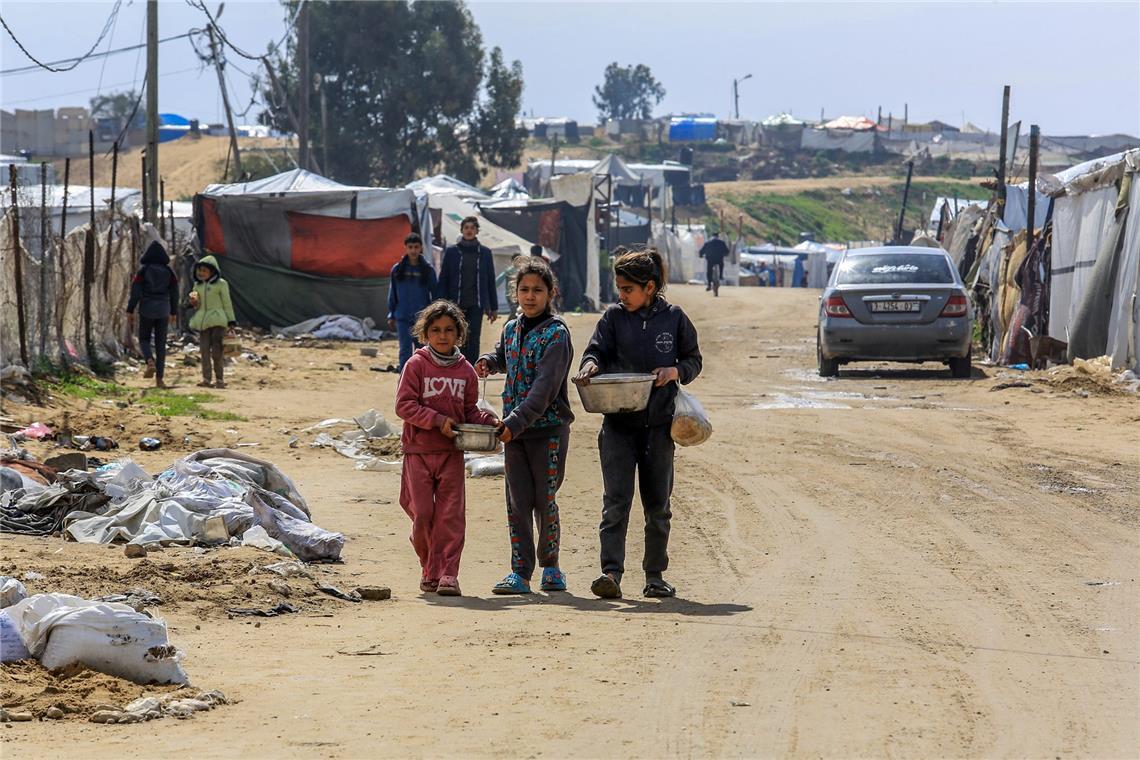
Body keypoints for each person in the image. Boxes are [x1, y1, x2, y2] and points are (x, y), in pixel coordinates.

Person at [574, 247, 702, 599]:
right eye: (620, 289)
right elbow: (595, 350)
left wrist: (675, 370)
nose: (622, 296)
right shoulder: (613, 318)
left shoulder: (674, 318)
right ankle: (610, 573)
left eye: (628, 289)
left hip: (659, 427)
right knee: (615, 502)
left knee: (658, 506)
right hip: (617, 424)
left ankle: (654, 575)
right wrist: (590, 365)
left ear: (649, 287)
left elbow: (693, 360)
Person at [475, 257, 574, 595]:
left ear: (551, 293)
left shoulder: (557, 335)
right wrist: (489, 360)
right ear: (515, 293)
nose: (530, 296)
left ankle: (552, 567)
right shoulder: (511, 328)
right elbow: (505, 354)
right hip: (513, 432)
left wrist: (512, 424)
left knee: (544, 500)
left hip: (547, 432)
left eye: (537, 290)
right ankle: (520, 572)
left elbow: (544, 391)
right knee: (517, 501)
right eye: (524, 290)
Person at [395, 300, 498, 597]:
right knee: (423, 514)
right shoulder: (416, 365)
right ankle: (429, 566)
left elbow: (469, 412)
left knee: (451, 516)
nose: (442, 335)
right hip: (419, 452)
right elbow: (404, 405)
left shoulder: (465, 370)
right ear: (425, 333)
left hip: (452, 454)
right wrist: (436, 420)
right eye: (436, 330)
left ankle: (448, 574)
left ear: (459, 335)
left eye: (449, 330)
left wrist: (488, 420)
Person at [437, 216, 498, 363]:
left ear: (477, 231)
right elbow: (443, 279)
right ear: (462, 230)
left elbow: (490, 280)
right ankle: (457, 366)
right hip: (455, 304)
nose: (469, 230)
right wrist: (441, 304)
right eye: (466, 228)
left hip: (476, 304)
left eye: (472, 228)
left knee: (474, 338)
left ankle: (471, 369)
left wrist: (493, 307)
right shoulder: (452, 252)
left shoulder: (484, 253)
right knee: (456, 336)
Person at [126, 240, 178, 388]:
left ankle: (149, 360)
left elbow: (135, 292)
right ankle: (160, 379)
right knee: (161, 345)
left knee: (144, 339)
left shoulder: (143, 270)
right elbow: (175, 293)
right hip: (163, 310)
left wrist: (130, 310)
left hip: (146, 309)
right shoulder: (169, 272)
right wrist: (174, 311)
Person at [387, 232, 437, 372]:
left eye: (416, 247)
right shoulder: (397, 270)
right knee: (405, 352)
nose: (413, 250)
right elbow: (393, 293)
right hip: (402, 317)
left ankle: (422, 382)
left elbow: (436, 295)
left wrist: (434, 316)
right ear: (405, 248)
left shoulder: (427, 270)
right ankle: (405, 384)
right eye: (410, 247)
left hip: (422, 319)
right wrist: (391, 314)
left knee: (422, 353)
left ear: (421, 248)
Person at [187, 255, 236, 389]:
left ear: (212, 271)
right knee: (204, 352)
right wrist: (192, 303)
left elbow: (227, 303)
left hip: (218, 322)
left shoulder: (221, 284)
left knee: (217, 352)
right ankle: (206, 379)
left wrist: (231, 320)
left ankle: (219, 379)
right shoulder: (197, 285)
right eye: (199, 270)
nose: (201, 273)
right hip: (203, 322)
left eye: (204, 271)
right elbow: (197, 305)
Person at [699, 231, 729, 296]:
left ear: (712, 236)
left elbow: (701, 251)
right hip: (719, 260)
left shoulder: (707, 243)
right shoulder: (722, 243)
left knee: (709, 271)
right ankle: (721, 275)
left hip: (710, 260)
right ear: (718, 236)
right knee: (721, 264)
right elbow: (727, 251)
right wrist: (725, 254)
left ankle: (709, 284)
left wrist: (701, 255)